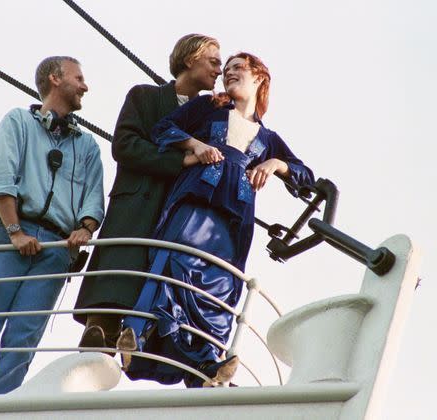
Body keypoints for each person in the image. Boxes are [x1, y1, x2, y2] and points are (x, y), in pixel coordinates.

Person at [117, 52, 315, 388]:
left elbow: (305, 175)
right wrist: (195, 144)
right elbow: (163, 128)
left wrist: (275, 165)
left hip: (234, 219)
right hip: (196, 200)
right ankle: (136, 334)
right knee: (176, 265)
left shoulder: (268, 139)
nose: (229, 74)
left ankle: (207, 365)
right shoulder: (207, 107)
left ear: (259, 78)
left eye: (238, 68)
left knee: (219, 288)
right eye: (226, 71)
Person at [0, 56, 104, 396]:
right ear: (55, 79)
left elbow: (94, 198)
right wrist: (15, 231)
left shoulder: (88, 146)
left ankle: (4, 400)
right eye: (78, 78)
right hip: (10, 238)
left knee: (25, 334)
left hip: (55, 248)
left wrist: (85, 228)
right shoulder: (18, 122)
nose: (85, 86)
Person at [73, 34, 222, 349]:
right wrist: (179, 159)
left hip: (173, 215)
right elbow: (125, 146)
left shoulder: (211, 117)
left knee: (156, 288)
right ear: (191, 58)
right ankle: (99, 334)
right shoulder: (143, 97)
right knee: (114, 285)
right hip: (135, 208)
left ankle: (140, 344)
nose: (219, 70)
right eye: (213, 61)